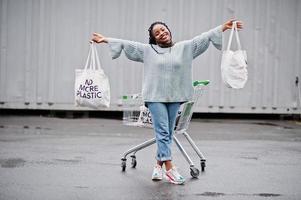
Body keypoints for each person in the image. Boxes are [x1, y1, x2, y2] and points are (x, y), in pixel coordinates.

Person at [91, 19, 243, 185]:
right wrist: (106, 39)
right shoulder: (148, 51)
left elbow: (203, 38)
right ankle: (170, 169)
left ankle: (158, 165)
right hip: (155, 98)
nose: (161, 34)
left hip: (175, 97)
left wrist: (222, 28)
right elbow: (128, 44)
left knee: (168, 133)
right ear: (154, 39)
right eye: (157, 33)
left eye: (163, 30)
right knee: (163, 132)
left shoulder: (185, 48)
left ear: (168, 30)